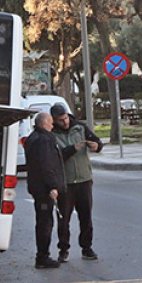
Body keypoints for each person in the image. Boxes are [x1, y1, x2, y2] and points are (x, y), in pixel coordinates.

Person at [50, 103, 102, 261]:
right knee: (63, 218)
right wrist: (73, 149)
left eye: (65, 118)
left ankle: (87, 247)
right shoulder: (51, 134)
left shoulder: (80, 127)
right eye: (60, 120)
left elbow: (96, 141)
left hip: (84, 179)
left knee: (86, 216)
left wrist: (96, 146)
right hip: (65, 182)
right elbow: (55, 156)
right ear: (54, 121)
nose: (65, 122)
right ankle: (63, 249)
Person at [23, 112, 70, 269]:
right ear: (43, 124)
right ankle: (42, 256)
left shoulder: (33, 137)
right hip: (43, 189)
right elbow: (47, 165)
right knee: (45, 222)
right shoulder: (44, 140)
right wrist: (52, 186)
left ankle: (42, 255)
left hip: (37, 186)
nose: (52, 125)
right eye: (50, 122)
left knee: (43, 221)